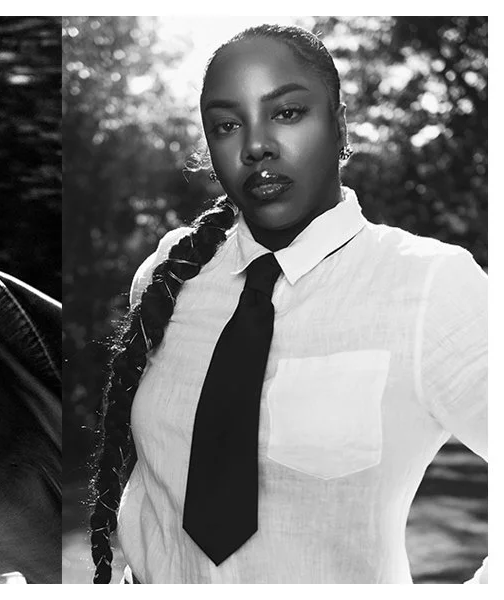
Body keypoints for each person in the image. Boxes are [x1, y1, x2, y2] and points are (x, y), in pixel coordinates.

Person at [88, 24, 488, 584]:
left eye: (288, 112)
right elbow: (154, 487)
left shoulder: (428, 286)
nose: (255, 145)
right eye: (227, 125)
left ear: (341, 125)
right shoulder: (169, 275)